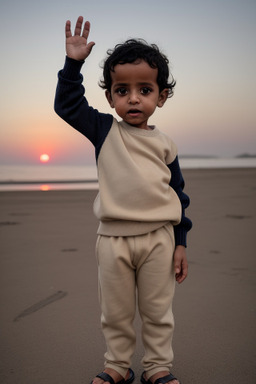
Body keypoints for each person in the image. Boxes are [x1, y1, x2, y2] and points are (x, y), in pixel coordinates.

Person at [54, 16, 192, 384]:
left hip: (158, 239)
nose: (133, 97)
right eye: (122, 90)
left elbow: (178, 196)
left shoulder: (166, 145)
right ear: (111, 97)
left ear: (161, 96)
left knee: (157, 311)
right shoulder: (103, 130)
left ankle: (157, 368)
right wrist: (74, 64)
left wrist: (180, 243)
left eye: (145, 89)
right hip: (112, 239)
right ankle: (117, 366)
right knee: (114, 312)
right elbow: (67, 106)